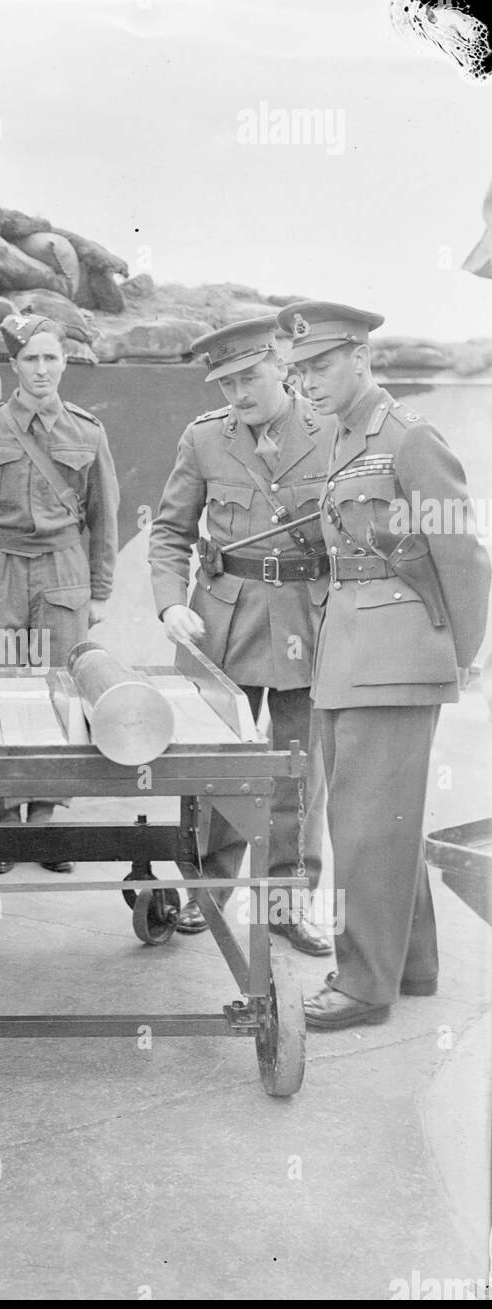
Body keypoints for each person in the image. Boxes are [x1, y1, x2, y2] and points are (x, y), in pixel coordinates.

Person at [276, 299, 490, 1028]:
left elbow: (461, 551)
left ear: (361, 357)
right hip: (351, 653)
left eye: (320, 364)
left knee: (366, 825)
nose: (306, 381)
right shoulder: (344, 437)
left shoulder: (405, 436)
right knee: (377, 817)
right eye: (298, 369)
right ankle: (413, 966)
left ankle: (364, 985)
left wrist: (458, 658)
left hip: (397, 657)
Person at [148, 316, 332, 955]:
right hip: (223, 621)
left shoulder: (329, 432)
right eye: (226, 384)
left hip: (309, 622)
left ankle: (288, 903)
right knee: (219, 770)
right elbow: (170, 533)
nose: (239, 395)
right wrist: (171, 605)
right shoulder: (204, 440)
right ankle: (206, 895)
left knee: (298, 774)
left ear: (281, 365)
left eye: (250, 377)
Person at [0, 313, 120, 874]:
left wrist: (100, 589)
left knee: (62, 690)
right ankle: (5, 821)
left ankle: (44, 818)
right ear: (13, 365)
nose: (41, 370)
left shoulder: (88, 431)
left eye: (51, 358)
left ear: (65, 363)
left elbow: (104, 515)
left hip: (64, 570)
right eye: (30, 359)